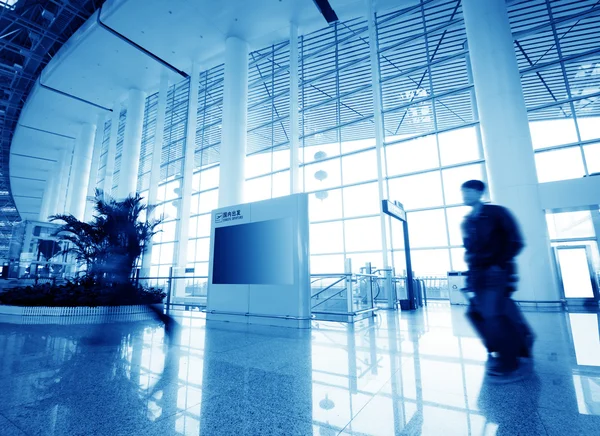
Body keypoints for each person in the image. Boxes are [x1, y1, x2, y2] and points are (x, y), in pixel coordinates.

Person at [460, 179, 534, 382]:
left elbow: (516, 241)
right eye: (463, 191)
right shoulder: (467, 222)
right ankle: (518, 343)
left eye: (468, 191)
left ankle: (510, 362)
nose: (464, 195)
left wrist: (498, 265)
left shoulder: (497, 213)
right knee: (475, 313)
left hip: (497, 272)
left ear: (479, 192)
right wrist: (470, 278)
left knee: (492, 315)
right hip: (478, 275)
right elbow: (470, 252)